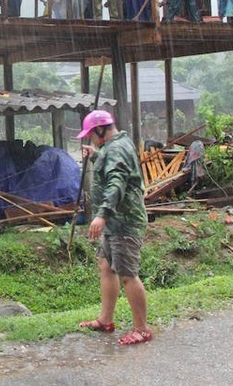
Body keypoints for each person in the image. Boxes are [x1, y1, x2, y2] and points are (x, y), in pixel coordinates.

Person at [75, 110, 152, 346]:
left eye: (91, 134)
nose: (91, 139)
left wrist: (102, 214)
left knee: (128, 274)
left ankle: (142, 329)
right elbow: (112, 167)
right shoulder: (114, 146)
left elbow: (116, 183)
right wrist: (97, 156)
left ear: (100, 130)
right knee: (106, 266)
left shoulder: (116, 148)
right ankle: (105, 320)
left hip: (123, 220)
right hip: (114, 222)